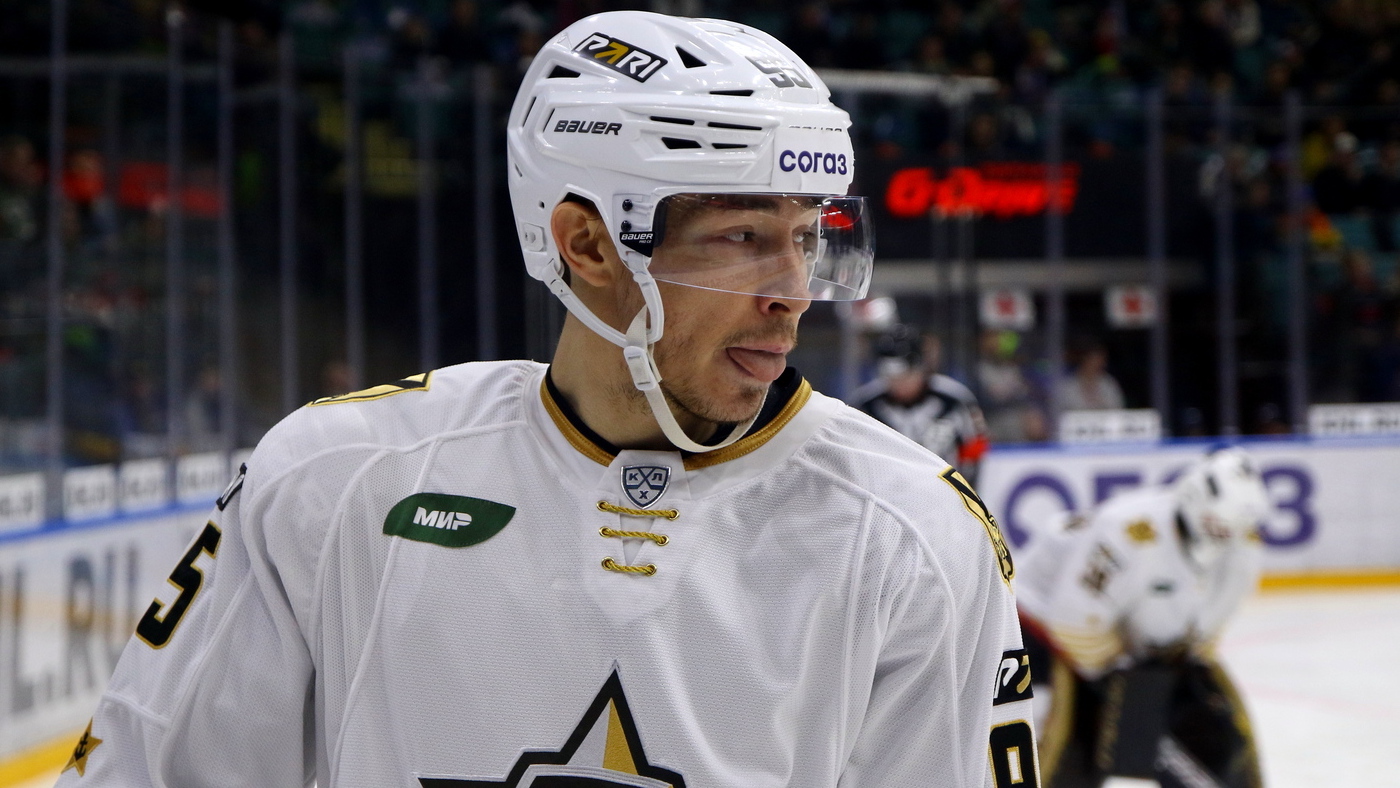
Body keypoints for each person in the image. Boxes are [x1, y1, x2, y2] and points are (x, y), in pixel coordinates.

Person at [58, 11, 1037, 787]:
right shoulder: (334, 480)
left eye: (807, 236)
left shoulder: (915, 535)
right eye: (742, 238)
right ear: (587, 244)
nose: (791, 290)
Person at [1013, 447, 1271, 788]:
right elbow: (1071, 622)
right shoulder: (1128, 531)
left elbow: (1209, 625)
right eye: (1215, 526)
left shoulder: (1243, 544)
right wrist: (1126, 682)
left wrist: (1169, 668)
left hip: (1124, 646)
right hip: (1043, 632)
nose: (1223, 537)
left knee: (1221, 731)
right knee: (1064, 744)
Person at [851, 324, 990, 484]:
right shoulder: (865, 405)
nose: (899, 384)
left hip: (944, 492)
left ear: (921, 368)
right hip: (883, 494)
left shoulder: (954, 400)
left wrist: (964, 487)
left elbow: (975, 446)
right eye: (890, 377)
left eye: (906, 375)